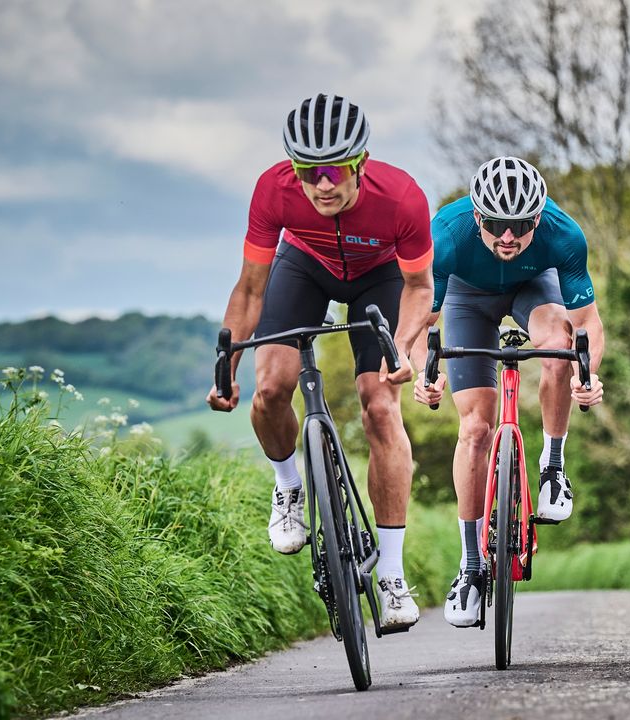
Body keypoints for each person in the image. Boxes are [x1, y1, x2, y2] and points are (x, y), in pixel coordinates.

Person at [206, 93, 435, 631]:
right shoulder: (273, 190)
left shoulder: (401, 198)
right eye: (309, 170)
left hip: (379, 276)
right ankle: (288, 485)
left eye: (334, 169)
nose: (322, 183)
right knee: (270, 390)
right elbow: (250, 288)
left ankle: (393, 575)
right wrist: (225, 367)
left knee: (380, 405)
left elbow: (420, 287)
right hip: (305, 266)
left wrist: (402, 348)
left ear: (359, 162)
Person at [412, 156, 605, 628]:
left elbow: (588, 325)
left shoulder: (564, 234)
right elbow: (420, 323)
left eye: (520, 226)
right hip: (465, 300)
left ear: (538, 219)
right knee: (475, 428)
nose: (507, 237)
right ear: (477, 216)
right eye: (496, 224)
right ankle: (470, 566)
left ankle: (553, 466)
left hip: (531, 290)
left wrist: (587, 374)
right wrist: (425, 371)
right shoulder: (446, 235)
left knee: (561, 348)